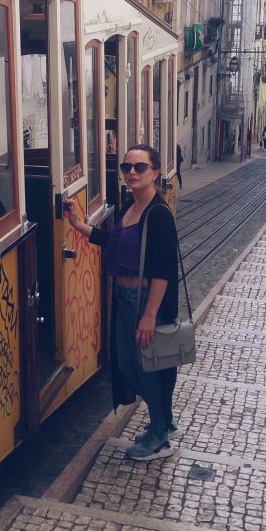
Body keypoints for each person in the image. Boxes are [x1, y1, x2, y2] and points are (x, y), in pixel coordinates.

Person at [64, 144, 179, 462]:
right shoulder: (130, 205)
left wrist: (149, 316)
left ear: (154, 172)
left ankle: (160, 437)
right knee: (130, 365)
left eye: (139, 167)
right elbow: (110, 241)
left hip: (143, 302)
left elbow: (163, 270)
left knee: (146, 368)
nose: (131, 173)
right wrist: (78, 224)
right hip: (125, 298)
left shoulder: (158, 214)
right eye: (126, 167)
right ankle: (162, 422)